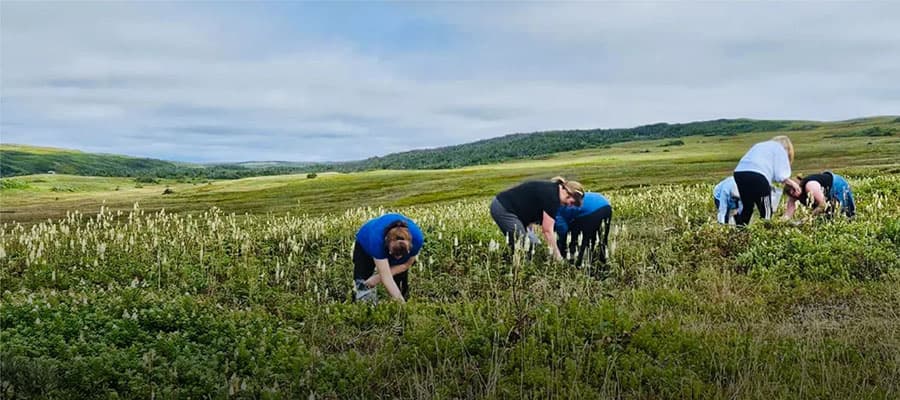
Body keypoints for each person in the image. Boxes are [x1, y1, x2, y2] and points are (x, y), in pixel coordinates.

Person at [490, 176, 584, 261]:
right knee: (523, 245)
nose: (570, 206)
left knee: (534, 243)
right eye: (572, 202)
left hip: (515, 212)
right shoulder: (552, 197)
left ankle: (517, 261)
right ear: (568, 193)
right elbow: (547, 230)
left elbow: (530, 208)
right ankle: (516, 267)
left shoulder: (553, 190)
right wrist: (558, 257)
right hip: (504, 208)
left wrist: (527, 229)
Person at [353, 213, 424, 304]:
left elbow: (406, 264)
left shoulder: (417, 239)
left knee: (400, 284)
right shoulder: (377, 241)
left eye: (402, 254)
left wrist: (377, 278)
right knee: (363, 282)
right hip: (365, 242)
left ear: (410, 246)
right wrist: (376, 279)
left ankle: (400, 309)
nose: (397, 258)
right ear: (387, 244)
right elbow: (386, 277)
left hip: (392, 245)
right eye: (394, 254)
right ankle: (363, 307)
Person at [732, 135, 800, 225]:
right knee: (766, 210)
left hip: (740, 173)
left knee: (747, 207)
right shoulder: (779, 148)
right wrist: (793, 183)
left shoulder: (760, 145)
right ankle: (766, 231)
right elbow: (781, 175)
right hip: (758, 175)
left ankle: (740, 232)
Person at [555, 192, 612, 266]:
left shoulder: (556, 210)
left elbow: (563, 230)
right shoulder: (564, 199)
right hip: (605, 205)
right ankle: (601, 261)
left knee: (583, 240)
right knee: (601, 239)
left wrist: (560, 248)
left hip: (590, 211)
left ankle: (578, 264)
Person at [783, 171, 856, 218]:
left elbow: (822, 205)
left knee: (844, 214)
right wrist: (783, 221)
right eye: (791, 193)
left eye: (794, 190)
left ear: (798, 185)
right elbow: (789, 210)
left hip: (836, 185)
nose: (794, 194)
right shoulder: (793, 194)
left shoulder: (810, 186)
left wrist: (808, 218)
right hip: (824, 193)